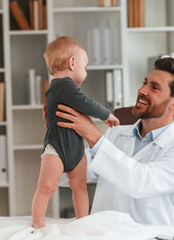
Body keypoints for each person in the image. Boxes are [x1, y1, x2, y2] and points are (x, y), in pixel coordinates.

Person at [48, 57, 174, 226]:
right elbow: (62, 177)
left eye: (154, 88)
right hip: (103, 234)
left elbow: (140, 182)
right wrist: (57, 134)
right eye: (145, 83)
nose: (142, 90)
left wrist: (93, 136)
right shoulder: (116, 135)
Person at [31, 36, 120, 229]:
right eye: (85, 67)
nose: (85, 71)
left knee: (79, 185)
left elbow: (51, 115)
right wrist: (106, 115)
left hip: (75, 148)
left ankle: (83, 221)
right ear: (73, 62)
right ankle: (38, 223)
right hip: (56, 148)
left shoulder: (57, 88)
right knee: (47, 186)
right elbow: (85, 103)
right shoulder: (65, 85)